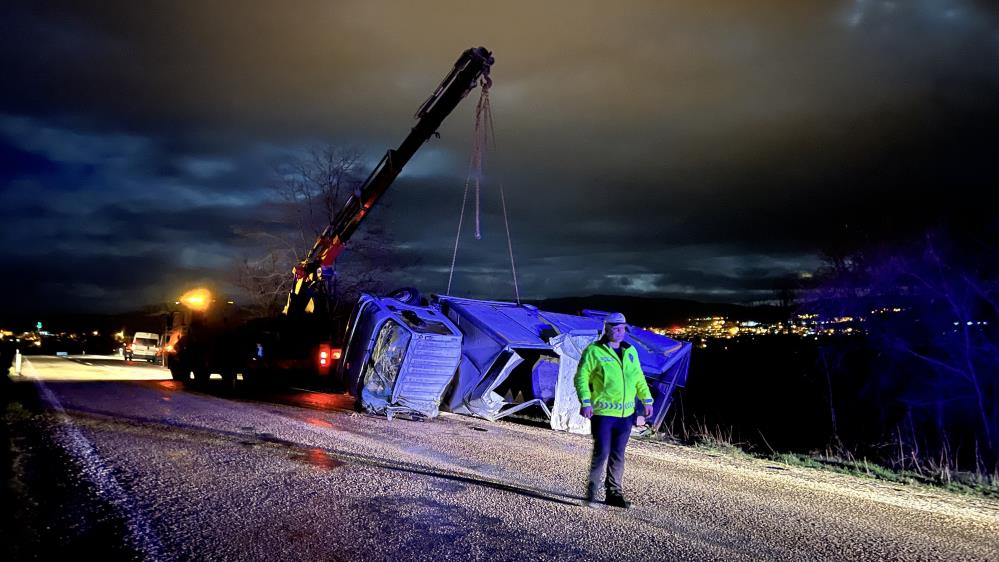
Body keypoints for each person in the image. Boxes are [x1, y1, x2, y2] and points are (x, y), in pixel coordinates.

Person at [574, 312, 654, 508]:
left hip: (625, 415)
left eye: (623, 328)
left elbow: (638, 378)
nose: (620, 332)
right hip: (603, 414)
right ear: (607, 328)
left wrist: (647, 400)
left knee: (618, 454)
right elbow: (581, 378)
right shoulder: (594, 351)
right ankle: (591, 492)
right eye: (616, 328)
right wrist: (585, 402)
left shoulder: (630, 351)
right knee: (602, 452)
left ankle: (614, 494)